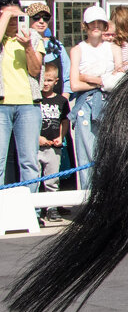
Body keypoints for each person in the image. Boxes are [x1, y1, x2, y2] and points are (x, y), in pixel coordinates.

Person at [68, 5, 119, 190]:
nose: (96, 26)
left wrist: (91, 78)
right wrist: (104, 81)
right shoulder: (77, 50)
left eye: (100, 22)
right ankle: (88, 199)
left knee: (108, 153)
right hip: (86, 104)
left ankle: (107, 196)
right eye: (92, 23)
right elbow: (75, 84)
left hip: (110, 103)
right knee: (86, 154)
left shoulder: (113, 49)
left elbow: (119, 80)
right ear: (85, 26)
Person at [0, 0, 44, 192]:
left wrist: (27, 46)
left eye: (17, 16)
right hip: (2, 105)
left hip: (28, 105)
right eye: (9, 16)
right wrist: (5, 17)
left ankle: (31, 209)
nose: (14, 21)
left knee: (29, 161)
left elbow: (35, 71)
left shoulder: (33, 37)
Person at [35, 63, 69, 222]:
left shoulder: (61, 100)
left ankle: (52, 208)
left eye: (49, 80)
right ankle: (35, 209)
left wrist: (61, 137)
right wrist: (37, 138)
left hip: (54, 147)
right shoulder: (35, 99)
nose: (46, 83)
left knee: (52, 179)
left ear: (56, 81)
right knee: (34, 178)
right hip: (36, 146)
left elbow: (64, 121)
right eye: (43, 80)